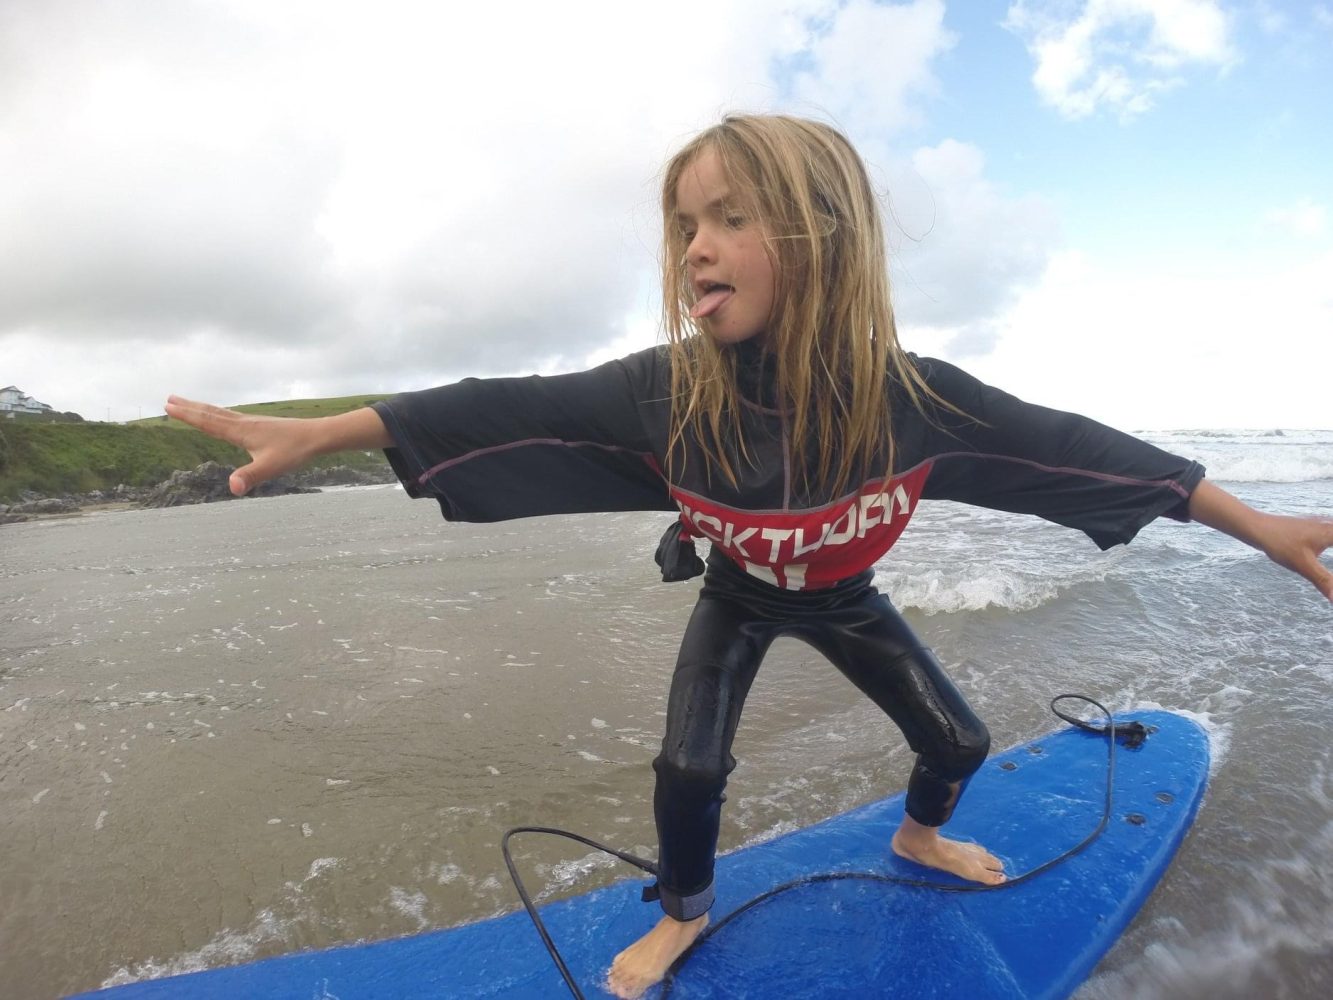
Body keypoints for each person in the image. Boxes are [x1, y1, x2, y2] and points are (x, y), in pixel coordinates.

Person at [165, 114, 1333, 999]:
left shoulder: (909, 400)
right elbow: (489, 403)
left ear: (820, 232)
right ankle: (685, 905)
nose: (695, 248)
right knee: (687, 768)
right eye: (683, 226)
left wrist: (1262, 525)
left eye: (726, 218)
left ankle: (919, 828)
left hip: (847, 596)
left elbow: (1089, 453)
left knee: (960, 739)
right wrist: (330, 428)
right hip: (735, 593)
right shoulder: (664, 390)